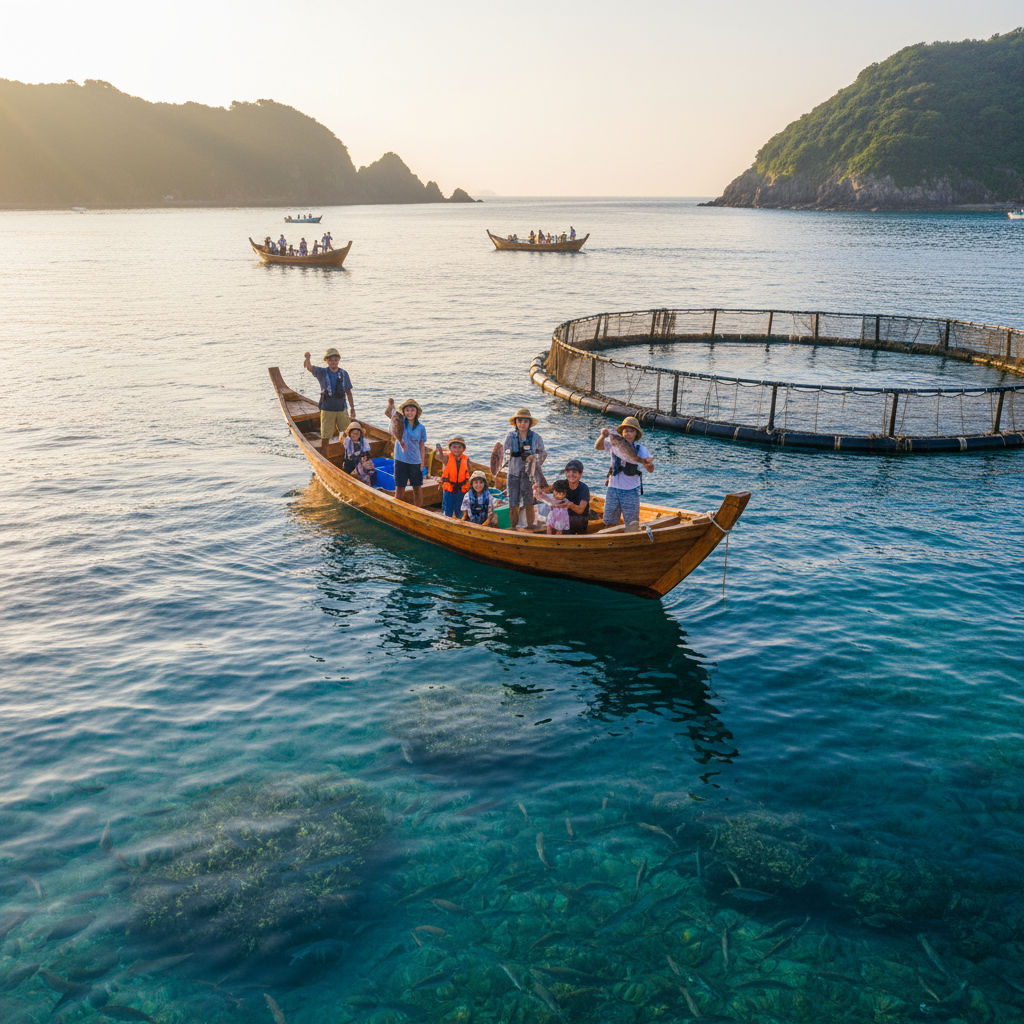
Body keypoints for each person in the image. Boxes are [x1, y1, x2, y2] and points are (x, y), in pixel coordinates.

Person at [595, 417, 654, 528]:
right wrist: (603, 435)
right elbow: (597, 446)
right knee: (609, 520)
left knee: (632, 522)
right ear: (622, 433)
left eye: (631, 431)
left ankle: (631, 540)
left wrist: (647, 463)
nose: (628, 433)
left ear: (636, 433)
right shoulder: (615, 443)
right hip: (613, 487)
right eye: (625, 431)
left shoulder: (641, 449)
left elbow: (651, 469)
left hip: (631, 489)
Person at [500, 407, 545, 531]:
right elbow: (502, 452)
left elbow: (543, 454)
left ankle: (530, 525)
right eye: (520, 421)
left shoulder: (536, 437)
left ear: (530, 423)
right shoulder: (510, 436)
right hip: (513, 473)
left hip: (528, 474)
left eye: (525, 421)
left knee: (529, 501)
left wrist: (533, 457)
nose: (522, 424)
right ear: (516, 423)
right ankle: (513, 526)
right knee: (513, 501)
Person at [304, 347, 355, 448]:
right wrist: (307, 359)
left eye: (335, 360)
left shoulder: (344, 373)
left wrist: (352, 408)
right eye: (330, 360)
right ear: (327, 361)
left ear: (338, 360)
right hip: (327, 409)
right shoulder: (321, 372)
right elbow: (309, 367)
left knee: (346, 433)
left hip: (342, 409)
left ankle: (346, 453)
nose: (333, 362)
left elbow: (348, 392)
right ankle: (324, 455)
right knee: (326, 436)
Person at [390, 398, 427, 507]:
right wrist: (390, 404)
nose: (409, 413)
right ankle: (398, 508)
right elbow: (388, 413)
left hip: (415, 461)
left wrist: (422, 461)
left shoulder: (421, 428)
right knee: (400, 487)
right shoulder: (400, 421)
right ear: (404, 412)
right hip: (400, 460)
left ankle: (419, 510)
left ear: (416, 412)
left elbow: (421, 445)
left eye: (412, 410)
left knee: (417, 487)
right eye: (407, 410)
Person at [439, 435, 471, 518]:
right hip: (449, 487)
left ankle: (460, 520)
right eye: (454, 447)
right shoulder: (446, 458)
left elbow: (468, 473)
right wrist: (439, 451)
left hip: (461, 487)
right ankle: (446, 519)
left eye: (459, 447)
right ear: (450, 448)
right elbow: (439, 457)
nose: (457, 449)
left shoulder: (466, 459)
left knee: (460, 508)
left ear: (463, 449)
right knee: (447, 508)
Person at [562, 459, 591, 535]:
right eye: (568, 472)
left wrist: (570, 505)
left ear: (580, 474)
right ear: (565, 473)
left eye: (574, 472)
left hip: (580, 520)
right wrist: (538, 492)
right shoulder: (561, 484)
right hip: (565, 517)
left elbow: (580, 510)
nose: (571, 474)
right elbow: (548, 491)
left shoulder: (584, 488)